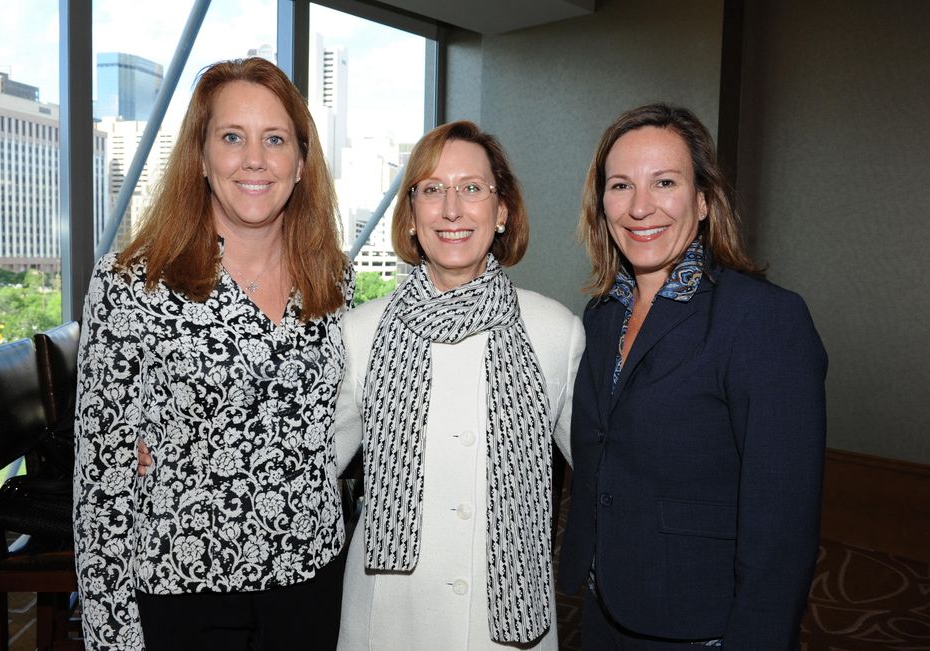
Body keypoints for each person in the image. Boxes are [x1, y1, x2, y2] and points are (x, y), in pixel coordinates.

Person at [74, 57, 352, 651]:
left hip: (311, 577)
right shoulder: (130, 286)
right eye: (232, 137)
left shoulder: (334, 281)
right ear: (200, 158)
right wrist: (111, 634)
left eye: (275, 139)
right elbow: (101, 485)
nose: (255, 159)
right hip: (185, 585)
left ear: (301, 164)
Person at [558, 103, 827, 649]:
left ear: (704, 200)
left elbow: (781, 525)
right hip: (606, 604)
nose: (640, 207)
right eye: (619, 186)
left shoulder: (763, 318)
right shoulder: (603, 314)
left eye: (664, 182)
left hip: (701, 623)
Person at [334, 121, 585, 650]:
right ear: (411, 216)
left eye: (472, 188)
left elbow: (608, 470)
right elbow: (306, 467)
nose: (452, 209)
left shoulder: (556, 330)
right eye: (432, 189)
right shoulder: (359, 332)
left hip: (507, 625)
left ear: (502, 212)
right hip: (389, 619)